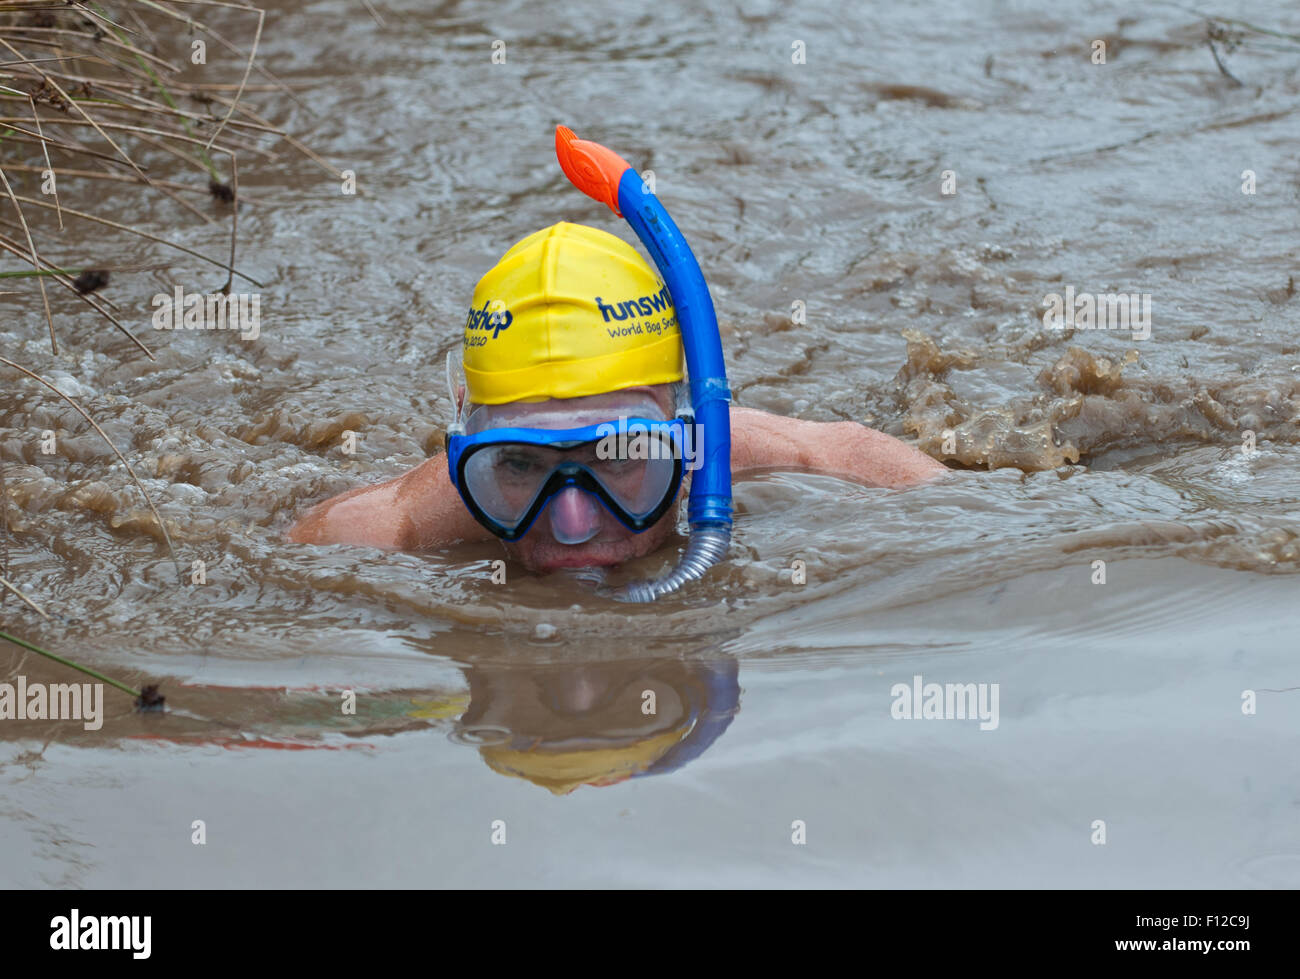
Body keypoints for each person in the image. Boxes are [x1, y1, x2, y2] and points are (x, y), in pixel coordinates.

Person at [287, 222, 945, 574]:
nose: (573, 524)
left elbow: (861, 454)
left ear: (689, 433)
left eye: (622, 455)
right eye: (519, 465)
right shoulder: (388, 530)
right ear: (465, 443)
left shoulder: (716, 449)